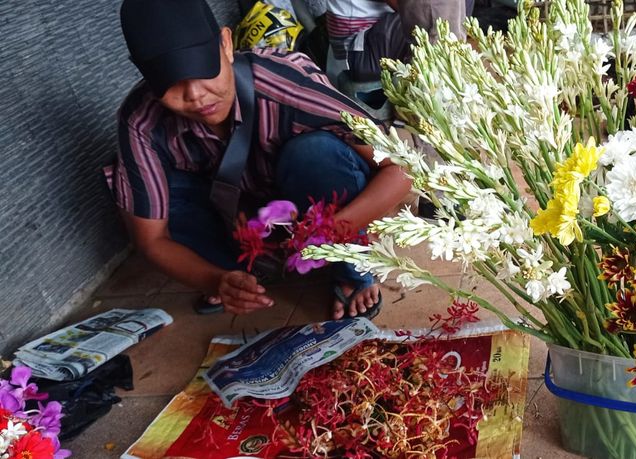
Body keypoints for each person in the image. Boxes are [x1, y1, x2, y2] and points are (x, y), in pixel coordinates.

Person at [109, 0, 412, 319]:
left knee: (314, 153)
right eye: (172, 84)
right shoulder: (140, 121)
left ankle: (352, 271)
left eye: (204, 70)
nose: (196, 95)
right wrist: (212, 279)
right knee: (135, 188)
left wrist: (331, 230)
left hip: (308, 203)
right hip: (237, 221)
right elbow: (152, 239)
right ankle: (231, 274)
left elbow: (400, 168)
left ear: (226, 44)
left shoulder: (285, 80)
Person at [308, 0, 472, 81]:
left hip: (377, 36)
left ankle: (447, 69)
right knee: (439, 12)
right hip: (358, 49)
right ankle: (436, 85)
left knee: (446, 16)